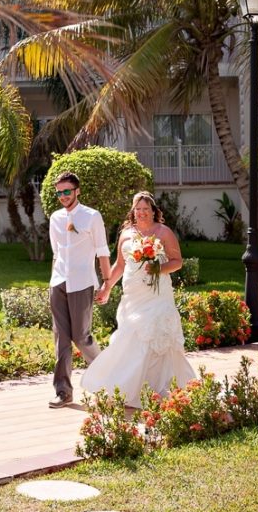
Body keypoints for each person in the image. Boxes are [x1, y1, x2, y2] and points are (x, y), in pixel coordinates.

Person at [81, 190, 195, 407]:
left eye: (146, 209)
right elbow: (120, 266)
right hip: (133, 294)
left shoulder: (164, 232)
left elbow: (177, 261)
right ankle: (125, 387)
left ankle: (157, 388)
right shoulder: (126, 234)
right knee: (130, 336)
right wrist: (106, 287)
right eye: (138, 209)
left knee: (156, 337)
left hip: (157, 294)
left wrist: (159, 268)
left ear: (153, 211)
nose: (142, 213)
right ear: (133, 212)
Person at [48, 171, 112, 408]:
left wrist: (106, 283)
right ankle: (63, 391)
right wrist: (53, 281)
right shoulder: (55, 218)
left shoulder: (92, 216)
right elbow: (56, 252)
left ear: (77, 191)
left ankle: (108, 377)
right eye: (59, 192)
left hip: (82, 283)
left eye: (67, 191)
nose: (63, 196)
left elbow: (102, 251)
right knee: (61, 339)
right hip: (59, 282)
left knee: (81, 336)